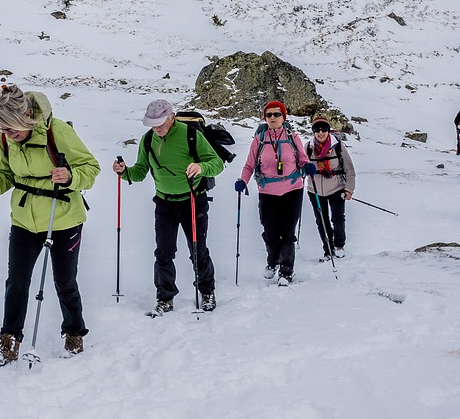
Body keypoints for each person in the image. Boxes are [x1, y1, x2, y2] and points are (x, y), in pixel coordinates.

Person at [0, 85, 100, 367]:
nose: (7, 134)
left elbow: (91, 168)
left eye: (12, 128)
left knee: (64, 281)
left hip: (63, 217)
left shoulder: (58, 132)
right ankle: (9, 340)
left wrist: (70, 176)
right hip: (24, 220)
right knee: (16, 281)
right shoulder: (5, 139)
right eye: (2, 128)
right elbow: (5, 174)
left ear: (27, 116)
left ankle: (74, 332)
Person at [112, 99, 224, 315]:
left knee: (198, 251)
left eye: (161, 122)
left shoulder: (190, 135)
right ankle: (165, 298)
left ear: (171, 117)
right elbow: (140, 172)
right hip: (164, 202)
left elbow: (216, 163)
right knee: (163, 253)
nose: (157, 128)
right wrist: (124, 171)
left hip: (193, 200)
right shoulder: (148, 140)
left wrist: (201, 167)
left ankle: (207, 291)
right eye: (153, 124)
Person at [235, 100, 314, 286]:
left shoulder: (292, 137)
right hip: (267, 192)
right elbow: (249, 164)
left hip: (292, 190)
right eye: (269, 114)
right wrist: (242, 181)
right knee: (270, 231)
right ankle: (273, 260)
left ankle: (286, 271)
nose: (272, 118)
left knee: (287, 232)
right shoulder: (259, 139)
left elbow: (303, 159)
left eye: (277, 114)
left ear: (283, 117)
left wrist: (308, 165)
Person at [305, 115, 356, 260]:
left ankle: (339, 245)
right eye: (317, 129)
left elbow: (350, 170)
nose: (320, 133)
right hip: (314, 190)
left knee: (337, 218)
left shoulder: (338, 147)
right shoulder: (308, 148)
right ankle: (328, 250)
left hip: (336, 188)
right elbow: (300, 167)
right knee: (322, 220)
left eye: (324, 129)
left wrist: (349, 189)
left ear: (328, 130)